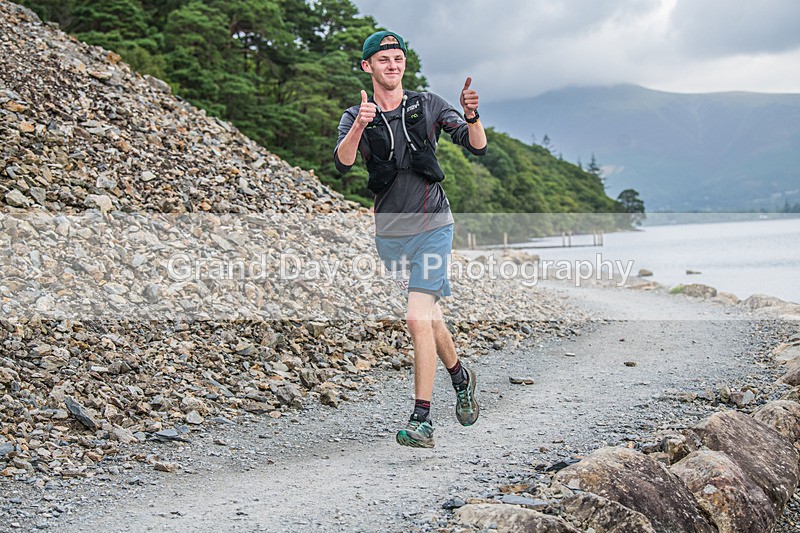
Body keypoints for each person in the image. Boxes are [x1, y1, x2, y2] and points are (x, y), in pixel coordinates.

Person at [333, 30, 488, 448]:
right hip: (391, 237)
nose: (392, 65)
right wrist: (359, 127)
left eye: (398, 58)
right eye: (383, 60)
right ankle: (460, 376)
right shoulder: (356, 115)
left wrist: (473, 119)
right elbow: (343, 162)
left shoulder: (429, 105)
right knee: (431, 317)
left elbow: (476, 147)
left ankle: (422, 419)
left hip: (434, 226)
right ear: (368, 66)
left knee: (417, 317)